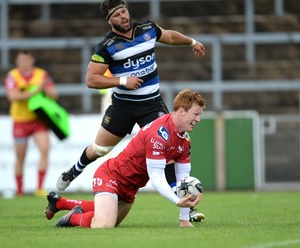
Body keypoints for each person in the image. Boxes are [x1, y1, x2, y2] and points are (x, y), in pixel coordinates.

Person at [55, 0, 206, 221]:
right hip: (123, 106)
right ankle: (73, 172)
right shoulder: (106, 46)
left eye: (124, 11)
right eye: (117, 15)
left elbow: (170, 36)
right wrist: (123, 80)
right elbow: (91, 79)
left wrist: (192, 41)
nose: (123, 17)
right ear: (109, 21)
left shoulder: (147, 29)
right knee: (99, 149)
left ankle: (187, 209)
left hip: (151, 104)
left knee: (169, 155)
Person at [47, 89, 205, 228]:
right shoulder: (159, 133)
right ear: (182, 111)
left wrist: (184, 220)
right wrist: (176, 200)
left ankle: (61, 203)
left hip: (130, 190)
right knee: (103, 224)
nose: (198, 119)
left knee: (109, 217)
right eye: (195, 114)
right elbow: (156, 177)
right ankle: (72, 218)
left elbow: (183, 179)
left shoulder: (184, 140)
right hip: (111, 176)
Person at [5, 50, 58, 197]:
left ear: (32, 60)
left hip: (38, 120)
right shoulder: (13, 75)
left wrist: (46, 89)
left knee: (45, 149)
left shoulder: (42, 74)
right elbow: (13, 96)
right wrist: (36, 91)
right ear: (17, 61)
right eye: (21, 60)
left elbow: (54, 94)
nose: (24, 63)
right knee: (20, 156)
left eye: (26, 60)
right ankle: (20, 190)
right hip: (20, 120)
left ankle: (39, 188)